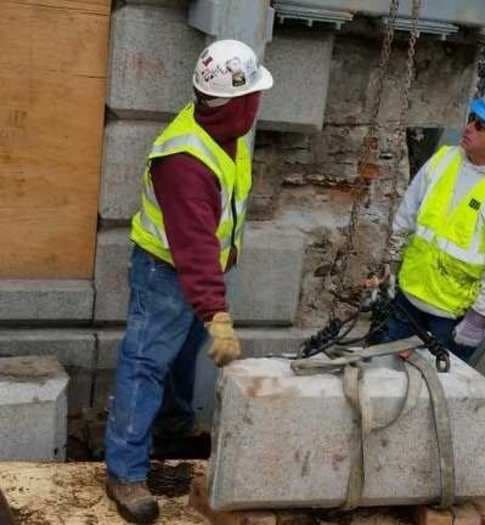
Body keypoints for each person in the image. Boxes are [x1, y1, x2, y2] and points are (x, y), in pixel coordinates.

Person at [103, 39, 273, 523]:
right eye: (254, 97)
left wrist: (211, 294)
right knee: (145, 365)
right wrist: (216, 312)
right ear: (239, 103)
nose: (259, 105)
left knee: (178, 360)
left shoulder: (222, 133)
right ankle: (125, 470)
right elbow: (194, 245)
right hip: (166, 272)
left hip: (196, 273)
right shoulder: (186, 161)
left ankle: (173, 435)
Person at [372, 86, 485, 364]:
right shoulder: (445, 159)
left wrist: (479, 319)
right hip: (407, 300)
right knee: (380, 380)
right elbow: (406, 215)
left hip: (450, 320)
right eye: (472, 118)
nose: (469, 127)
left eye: (481, 126)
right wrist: (390, 264)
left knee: (435, 398)